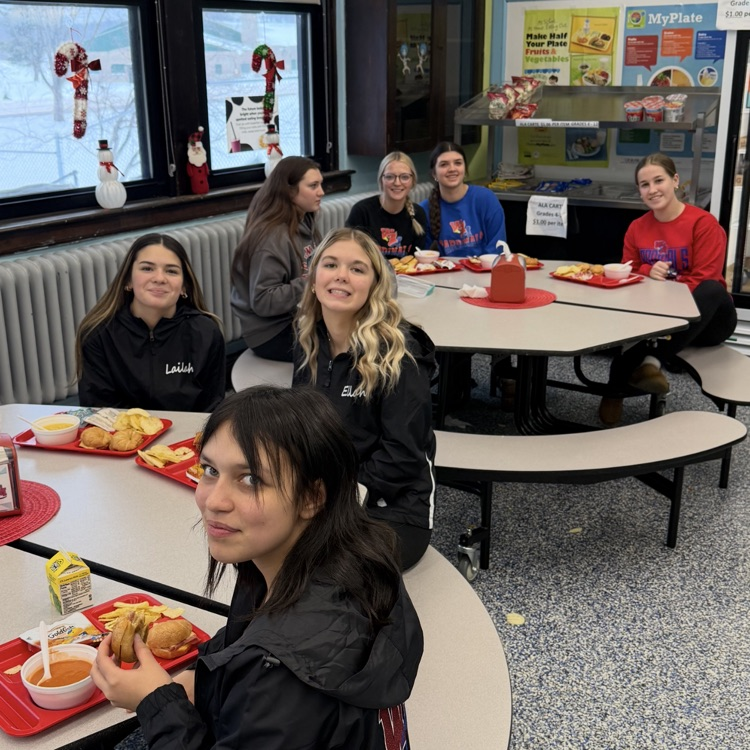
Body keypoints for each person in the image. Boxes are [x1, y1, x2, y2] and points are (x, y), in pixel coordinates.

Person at [90, 385, 423, 749]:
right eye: (210, 470)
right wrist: (196, 677)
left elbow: (272, 678)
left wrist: (154, 703)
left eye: (250, 479)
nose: (213, 501)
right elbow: (245, 642)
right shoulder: (352, 558)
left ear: (312, 497)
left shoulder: (278, 677)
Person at [294, 227, 437, 569]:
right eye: (330, 265)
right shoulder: (309, 342)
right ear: (313, 279)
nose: (341, 276)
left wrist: (333, 498)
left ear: (374, 285)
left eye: (357, 269)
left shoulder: (401, 353)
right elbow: (299, 428)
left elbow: (402, 457)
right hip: (324, 495)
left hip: (394, 509)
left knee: (322, 569)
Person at [599, 153, 737, 425]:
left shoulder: (703, 223)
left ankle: (646, 364)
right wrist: (647, 271)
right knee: (633, 327)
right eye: (644, 184)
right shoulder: (637, 228)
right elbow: (630, 268)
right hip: (661, 316)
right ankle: (644, 368)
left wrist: (667, 285)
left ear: (675, 181)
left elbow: (706, 278)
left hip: (708, 320)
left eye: (658, 180)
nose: (652, 190)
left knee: (711, 289)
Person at [75, 233, 225, 412]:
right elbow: (98, 408)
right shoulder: (98, 334)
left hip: (188, 436)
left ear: (184, 286)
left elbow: (212, 409)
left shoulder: (206, 332)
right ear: (128, 280)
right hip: (122, 435)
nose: (160, 278)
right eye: (147, 268)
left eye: (171, 271)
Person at [230, 156, 323, 362]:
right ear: (290, 191)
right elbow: (263, 300)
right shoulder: (272, 237)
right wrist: (313, 282)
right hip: (271, 334)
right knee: (345, 343)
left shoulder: (304, 220)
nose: (321, 192)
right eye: (313, 185)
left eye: (320, 184)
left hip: (295, 318)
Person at [420, 141, 507, 257]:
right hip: (446, 273)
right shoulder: (424, 209)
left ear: (465, 169)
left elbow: (497, 247)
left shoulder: (486, 199)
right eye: (444, 164)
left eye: (458, 163)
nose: (452, 169)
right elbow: (424, 256)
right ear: (434, 174)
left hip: (485, 271)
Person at [345, 151, 427, 260]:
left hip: (406, 275)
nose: (397, 183)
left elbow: (416, 260)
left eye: (404, 177)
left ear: (413, 181)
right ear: (381, 180)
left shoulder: (418, 214)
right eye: (390, 177)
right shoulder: (362, 212)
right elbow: (350, 255)